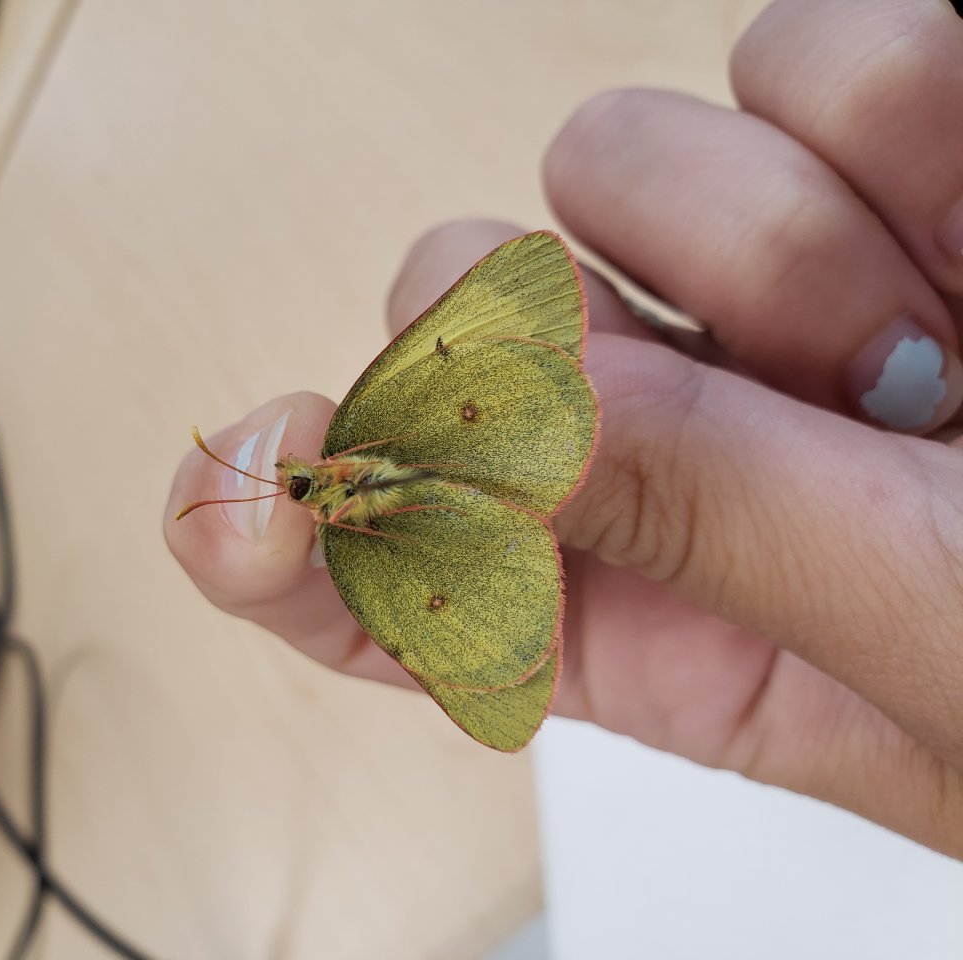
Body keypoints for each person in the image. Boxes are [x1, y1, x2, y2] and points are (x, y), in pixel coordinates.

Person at [165, 0, 963, 860]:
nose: (296, 480)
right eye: (292, 487)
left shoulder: (357, 434)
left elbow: (528, 287)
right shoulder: (351, 550)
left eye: (293, 477)